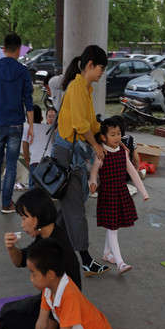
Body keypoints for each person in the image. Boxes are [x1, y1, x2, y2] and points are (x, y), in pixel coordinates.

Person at [52, 45, 110, 277]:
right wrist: (96, 145)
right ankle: (85, 260)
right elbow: (79, 124)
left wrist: (108, 138)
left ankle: (45, 248)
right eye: (101, 68)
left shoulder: (85, 89)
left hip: (70, 153)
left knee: (67, 210)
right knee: (75, 209)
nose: (102, 73)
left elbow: (92, 125)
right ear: (89, 65)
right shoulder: (77, 87)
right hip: (67, 154)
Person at [0, 188, 81, 329]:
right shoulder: (45, 235)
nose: (22, 225)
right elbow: (20, 260)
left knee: (6, 328)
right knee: (6, 311)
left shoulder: (55, 246)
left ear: (37, 217)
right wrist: (11, 248)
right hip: (46, 300)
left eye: (24, 218)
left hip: (62, 312)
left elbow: (59, 304)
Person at [88, 117, 149, 275]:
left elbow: (133, 173)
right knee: (113, 228)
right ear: (103, 137)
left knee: (113, 227)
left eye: (119, 134)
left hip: (121, 193)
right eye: (113, 134)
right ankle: (120, 262)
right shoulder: (101, 153)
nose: (116, 137)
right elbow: (94, 171)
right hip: (108, 195)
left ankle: (107, 254)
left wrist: (144, 192)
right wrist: (92, 183)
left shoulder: (123, 151)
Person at [0, 33, 34, 213]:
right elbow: (28, 101)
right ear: (19, 50)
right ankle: (6, 203)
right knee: (11, 164)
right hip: (15, 125)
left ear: (3, 49)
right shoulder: (23, 71)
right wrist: (32, 127)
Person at [22, 105, 54, 190]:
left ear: (28, 119)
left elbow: (26, 156)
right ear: (41, 118)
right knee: (48, 188)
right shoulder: (49, 128)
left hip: (35, 164)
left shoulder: (27, 129)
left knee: (33, 191)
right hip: (49, 163)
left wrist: (31, 169)